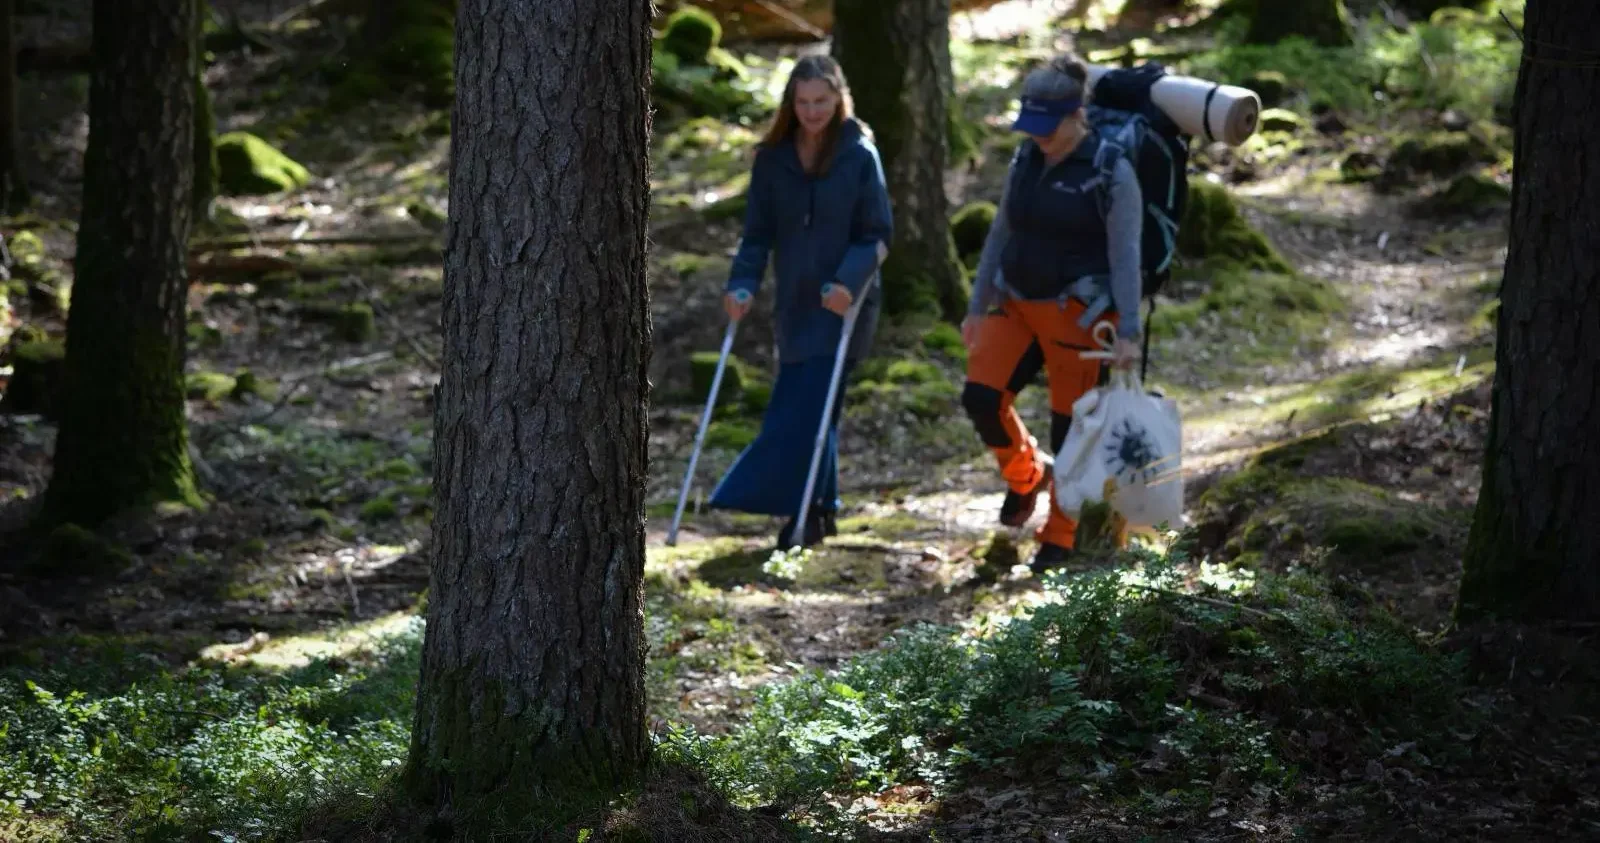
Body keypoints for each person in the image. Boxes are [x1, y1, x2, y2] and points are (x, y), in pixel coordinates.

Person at [960, 52, 1143, 573]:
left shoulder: (1110, 170)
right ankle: (1025, 476)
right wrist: (977, 306)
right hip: (1014, 302)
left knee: (1073, 432)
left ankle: (1059, 536)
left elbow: (1126, 255)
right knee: (980, 398)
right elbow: (1001, 232)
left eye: (1047, 126)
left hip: (1079, 319)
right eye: (1031, 125)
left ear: (1075, 116)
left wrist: (1128, 332)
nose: (1037, 135)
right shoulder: (1026, 159)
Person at [707, 54, 893, 549]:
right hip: (794, 303)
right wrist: (741, 283)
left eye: (822, 101)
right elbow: (756, 235)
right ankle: (822, 507)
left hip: (845, 307)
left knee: (808, 406)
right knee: (814, 407)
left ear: (839, 99)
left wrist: (848, 283)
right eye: (804, 101)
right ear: (791, 102)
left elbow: (878, 235)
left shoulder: (859, 155)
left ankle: (799, 512)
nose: (813, 111)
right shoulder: (773, 159)